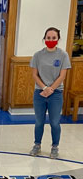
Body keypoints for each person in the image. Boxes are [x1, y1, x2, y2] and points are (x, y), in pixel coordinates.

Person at [29, 27, 71, 159]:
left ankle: (54, 147)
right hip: (40, 93)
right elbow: (34, 75)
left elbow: (62, 76)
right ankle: (37, 145)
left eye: (53, 38)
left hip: (56, 93)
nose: (51, 40)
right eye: (48, 38)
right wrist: (44, 88)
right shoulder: (38, 55)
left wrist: (51, 89)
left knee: (54, 122)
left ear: (58, 39)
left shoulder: (63, 55)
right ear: (44, 39)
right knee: (39, 122)